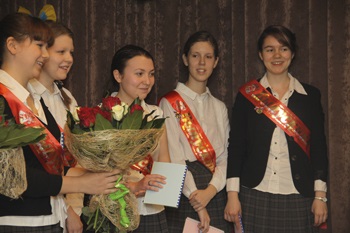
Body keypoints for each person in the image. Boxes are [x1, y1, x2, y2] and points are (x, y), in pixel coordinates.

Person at [0, 12, 119, 232]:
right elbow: (12, 176)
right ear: (12, 45)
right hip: (19, 221)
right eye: (39, 45)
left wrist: (96, 177)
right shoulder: (3, 98)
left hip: (50, 217)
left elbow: (51, 166)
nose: (44, 55)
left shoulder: (30, 100)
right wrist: (81, 183)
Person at [224, 25, 328, 233]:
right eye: (270, 49)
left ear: (293, 53)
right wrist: (232, 195)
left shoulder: (310, 96)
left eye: (284, 48)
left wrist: (320, 195)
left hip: (299, 195)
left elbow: (318, 147)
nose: (277, 55)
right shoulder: (247, 95)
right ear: (261, 55)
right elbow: (236, 148)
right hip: (255, 192)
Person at [159, 31, 232, 233]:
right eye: (195, 56)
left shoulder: (220, 107)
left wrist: (210, 191)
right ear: (185, 59)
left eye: (208, 57)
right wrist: (196, 197)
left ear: (216, 62)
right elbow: (173, 156)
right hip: (183, 191)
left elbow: (225, 157)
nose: (202, 63)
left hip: (215, 190)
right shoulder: (169, 102)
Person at [29, 20, 83, 232]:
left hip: (68, 204)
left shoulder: (68, 98)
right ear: (41, 53)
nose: (69, 59)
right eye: (61, 51)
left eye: (71, 52)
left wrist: (75, 209)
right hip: (39, 210)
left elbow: (76, 157)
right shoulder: (26, 98)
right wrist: (70, 211)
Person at [110, 44, 170, 232]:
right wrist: (134, 186)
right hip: (116, 209)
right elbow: (97, 173)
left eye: (151, 74)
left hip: (152, 209)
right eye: (139, 74)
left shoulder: (155, 113)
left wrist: (164, 190)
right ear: (118, 76)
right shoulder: (100, 115)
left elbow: (164, 159)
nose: (147, 81)